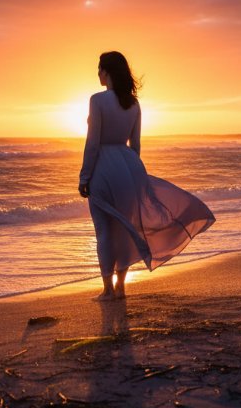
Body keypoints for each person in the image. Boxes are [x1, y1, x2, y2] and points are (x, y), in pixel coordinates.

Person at [78, 51, 215, 300]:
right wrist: (134, 173)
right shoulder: (134, 104)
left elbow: (93, 143)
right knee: (125, 227)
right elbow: (136, 144)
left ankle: (108, 290)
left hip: (104, 168)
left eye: (99, 69)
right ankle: (121, 287)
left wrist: (84, 177)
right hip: (130, 166)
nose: (97, 74)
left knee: (104, 231)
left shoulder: (97, 100)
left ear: (106, 72)